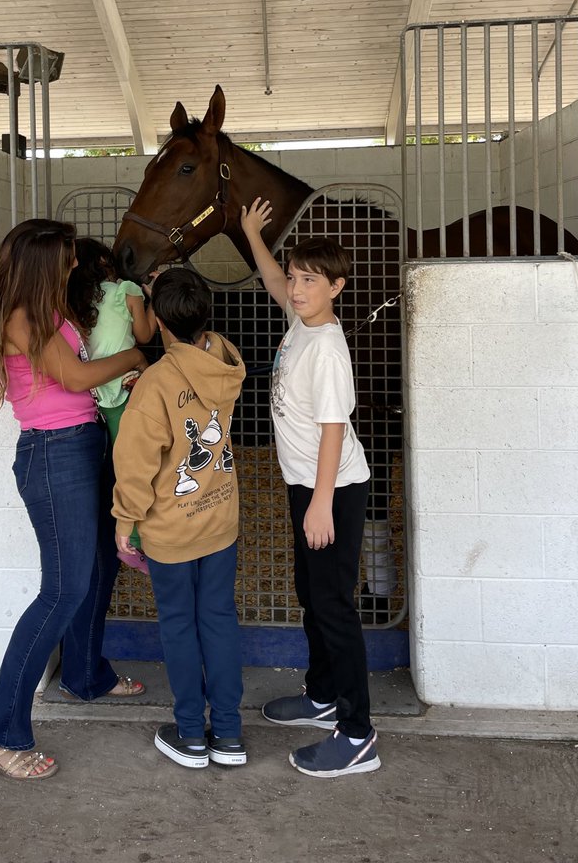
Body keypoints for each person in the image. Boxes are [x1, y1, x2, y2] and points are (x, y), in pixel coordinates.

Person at [0, 219, 148, 781]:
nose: (75, 265)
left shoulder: (48, 310)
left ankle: (86, 674)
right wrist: (137, 359)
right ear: (44, 263)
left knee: (97, 570)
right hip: (55, 457)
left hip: (83, 444)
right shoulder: (21, 318)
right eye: (68, 258)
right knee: (63, 590)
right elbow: (73, 377)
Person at [240, 198, 381, 779]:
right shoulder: (303, 321)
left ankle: (357, 734)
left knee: (333, 605)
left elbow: (332, 430)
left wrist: (321, 502)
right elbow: (273, 278)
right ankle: (323, 695)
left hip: (335, 489)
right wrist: (251, 235)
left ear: (337, 287)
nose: (295, 289)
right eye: (296, 278)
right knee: (311, 593)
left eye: (310, 280)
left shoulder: (326, 348)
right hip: (307, 485)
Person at [113, 268, 247, 769]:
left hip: (172, 526)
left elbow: (136, 465)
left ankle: (192, 734)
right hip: (219, 519)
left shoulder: (155, 386)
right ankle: (229, 735)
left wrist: (124, 522)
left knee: (179, 625)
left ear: (159, 322)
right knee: (218, 620)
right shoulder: (222, 359)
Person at [66, 237, 157, 440]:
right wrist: (155, 299)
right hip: (125, 382)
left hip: (92, 387)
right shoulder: (125, 292)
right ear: (103, 261)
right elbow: (145, 335)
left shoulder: (73, 300)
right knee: (129, 450)